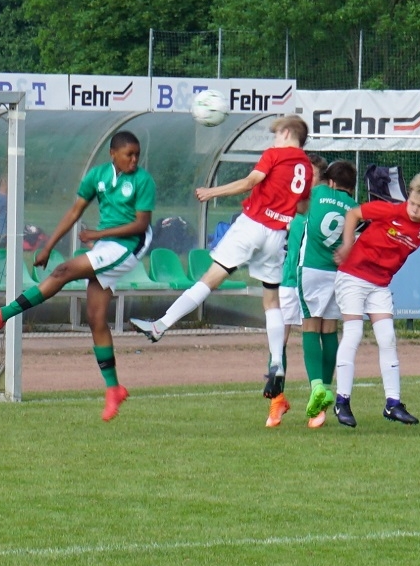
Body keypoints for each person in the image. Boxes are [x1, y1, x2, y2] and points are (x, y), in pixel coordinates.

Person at [129, 115, 313, 427]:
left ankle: (160, 326)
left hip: (252, 225)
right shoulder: (307, 167)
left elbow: (250, 182)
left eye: (275, 135)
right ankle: (278, 363)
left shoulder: (274, 155)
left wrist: (212, 193)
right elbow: (303, 206)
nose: (273, 141)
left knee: (210, 278)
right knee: (271, 301)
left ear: (285, 133)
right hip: (277, 234)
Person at [0, 131, 156, 421]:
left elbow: (140, 225)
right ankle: (114, 388)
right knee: (95, 318)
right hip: (108, 245)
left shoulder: (143, 181)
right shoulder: (98, 176)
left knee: (63, 271)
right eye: (129, 155)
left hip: (131, 244)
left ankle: (1, 315)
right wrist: (48, 245)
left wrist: (97, 234)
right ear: (113, 154)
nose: (134, 160)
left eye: (137, 155)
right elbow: (74, 211)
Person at [329, 172, 420, 428]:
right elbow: (353, 214)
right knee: (353, 334)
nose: (414, 209)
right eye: (412, 203)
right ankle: (342, 400)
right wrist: (347, 244)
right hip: (353, 276)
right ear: (408, 196)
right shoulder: (388, 210)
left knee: (388, 338)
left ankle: (393, 403)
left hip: (379, 284)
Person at [300, 160, 359, 428]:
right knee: (330, 330)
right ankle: (326, 385)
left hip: (312, 268)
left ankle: (316, 388)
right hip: (338, 273)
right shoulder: (355, 208)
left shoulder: (320, 194)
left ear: (331, 182)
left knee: (310, 326)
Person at [271, 153, 329, 427]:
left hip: (316, 281)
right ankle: (277, 401)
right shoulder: (291, 203)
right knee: (277, 341)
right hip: (289, 281)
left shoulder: (325, 207)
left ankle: (319, 403)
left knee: (318, 335)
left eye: (312, 176)